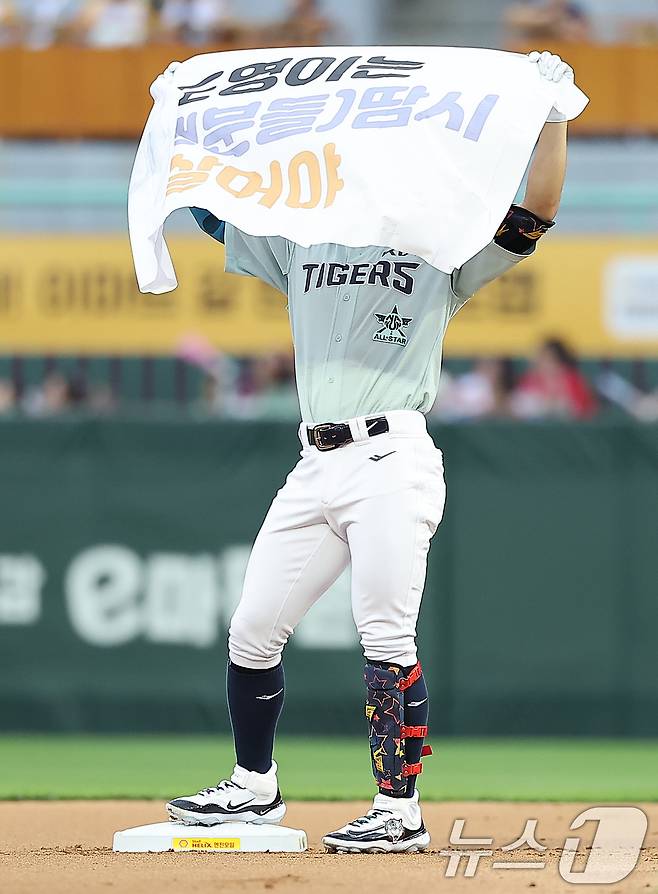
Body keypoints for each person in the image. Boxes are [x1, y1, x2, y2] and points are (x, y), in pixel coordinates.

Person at [166, 51, 573, 854]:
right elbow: (211, 206)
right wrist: (186, 116)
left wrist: (553, 113)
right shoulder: (304, 239)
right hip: (315, 461)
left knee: (386, 636)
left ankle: (399, 809)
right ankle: (254, 785)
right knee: (252, 629)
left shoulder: (440, 249)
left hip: (391, 457)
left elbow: (534, 214)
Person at [512, 337, 597, 419]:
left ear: (560, 362)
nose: (544, 364)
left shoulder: (573, 381)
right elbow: (516, 409)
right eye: (542, 359)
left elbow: (586, 410)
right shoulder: (530, 380)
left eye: (550, 359)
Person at [505, 0, 591, 43]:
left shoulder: (573, 10)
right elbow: (514, 19)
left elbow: (584, 32)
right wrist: (546, 21)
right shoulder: (539, 7)